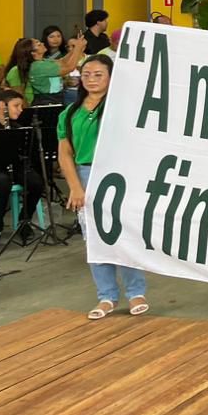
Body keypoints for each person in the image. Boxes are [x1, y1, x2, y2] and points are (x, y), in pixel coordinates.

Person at [58, 55, 150, 320]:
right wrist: (75, 187)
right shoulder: (70, 113)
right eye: (86, 74)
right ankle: (106, 295)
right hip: (86, 172)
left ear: (111, 77)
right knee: (95, 238)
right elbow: (65, 153)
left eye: (98, 74)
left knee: (122, 234)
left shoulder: (121, 107)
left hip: (118, 173)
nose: (91, 79)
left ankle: (136, 292)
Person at [0, 89, 47, 249]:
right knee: (2, 182)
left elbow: (26, 155)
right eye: (16, 106)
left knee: (36, 182)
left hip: (13, 167)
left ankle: (23, 221)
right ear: (2, 105)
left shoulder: (18, 128)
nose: (20, 110)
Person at [4, 35, 85, 105]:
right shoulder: (37, 66)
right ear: (33, 53)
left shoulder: (43, 61)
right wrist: (78, 47)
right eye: (39, 44)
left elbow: (62, 61)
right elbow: (69, 67)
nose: (42, 43)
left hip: (57, 96)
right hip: (48, 99)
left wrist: (76, 48)